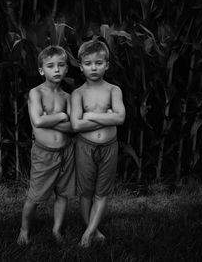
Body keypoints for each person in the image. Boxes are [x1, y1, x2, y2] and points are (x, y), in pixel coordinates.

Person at [17, 45, 75, 246]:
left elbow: (73, 127)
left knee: (63, 193)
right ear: (42, 70)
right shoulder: (36, 93)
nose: (57, 70)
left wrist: (52, 119)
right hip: (44, 154)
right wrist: (61, 116)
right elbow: (38, 121)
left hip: (66, 152)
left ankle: (57, 230)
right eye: (51, 66)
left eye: (61, 65)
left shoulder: (68, 97)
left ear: (67, 68)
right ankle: (24, 229)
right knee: (35, 195)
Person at [70, 40, 125, 248]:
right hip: (85, 147)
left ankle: (88, 233)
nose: (94, 67)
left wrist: (90, 115)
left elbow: (120, 118)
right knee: (85, 192)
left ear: (107, 65)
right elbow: (76, 124)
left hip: (110, 146)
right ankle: (93, 229)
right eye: (89, 63)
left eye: (99, 63)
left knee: (102, 191)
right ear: (81, 66)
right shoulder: (78, 94)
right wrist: (106, 116)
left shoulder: (114, 90)